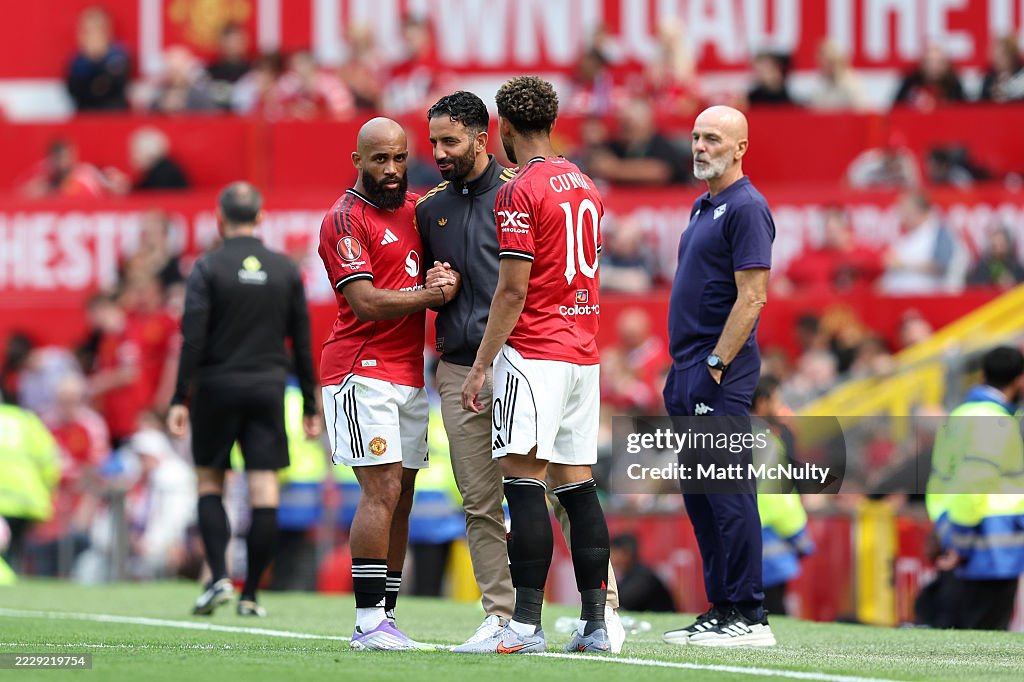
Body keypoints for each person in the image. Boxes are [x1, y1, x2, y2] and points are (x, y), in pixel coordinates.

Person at [415, 90, 625, 651]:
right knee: (577, 488)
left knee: (525, 487)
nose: (438, 151)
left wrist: (484, 364)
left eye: (449, 140)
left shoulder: (518, 189)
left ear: (499, 128)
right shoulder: (582, 182)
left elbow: (512, 291)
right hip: (579, 351)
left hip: (528, 353)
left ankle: (524, 625)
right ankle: (596, 624)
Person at [316, 117, 460, 651]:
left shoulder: (416, 209)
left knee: (402, 496)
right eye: (380, 159)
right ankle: (367, 621)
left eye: (400, 157)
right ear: (358, 161)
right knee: (380, 490)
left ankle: (387, 617)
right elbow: (366, 302)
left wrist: (445, 277)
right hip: (359, 370)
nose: (393, 169)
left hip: (406, 374)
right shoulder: (344, 219)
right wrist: (432, 295)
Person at [167, 182, 319, 618]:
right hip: (268, 388)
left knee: (210, 482)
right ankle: (251, 594)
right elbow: (302, 340)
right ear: (260, 217)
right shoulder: (284, 269)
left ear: (220, 219)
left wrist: (180, 397)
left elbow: (192, 337)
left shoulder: (207, 266)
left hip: (216, 387)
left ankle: (218, 577)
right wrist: (310, 405)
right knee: (264, 488)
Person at [662, 105, 776, 646]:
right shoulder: (702, 205)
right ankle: (722, 606)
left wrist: (716, 364)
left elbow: (753, 297)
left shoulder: (747, 206)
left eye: (712, 138)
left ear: (740, 148)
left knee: (728, 492)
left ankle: (750, 614)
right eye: (695, 137)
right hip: (687, 367)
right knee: (701, 496)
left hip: (717, 370)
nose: (700, 147)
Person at [922, 346, 1024, 630]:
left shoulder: (961, 414)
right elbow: (974, 482)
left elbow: (944, 478)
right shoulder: (994, 420)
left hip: (958, 535)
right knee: (985, 642)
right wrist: (961, 542)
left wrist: (945, 532)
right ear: (1019, 380)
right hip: (987, 548)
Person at [610, 534, 676, 612]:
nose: (610, 556)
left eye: (613, 552)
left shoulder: (643, 576)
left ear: (626, 553)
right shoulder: (630, 573)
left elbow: (620, 601)